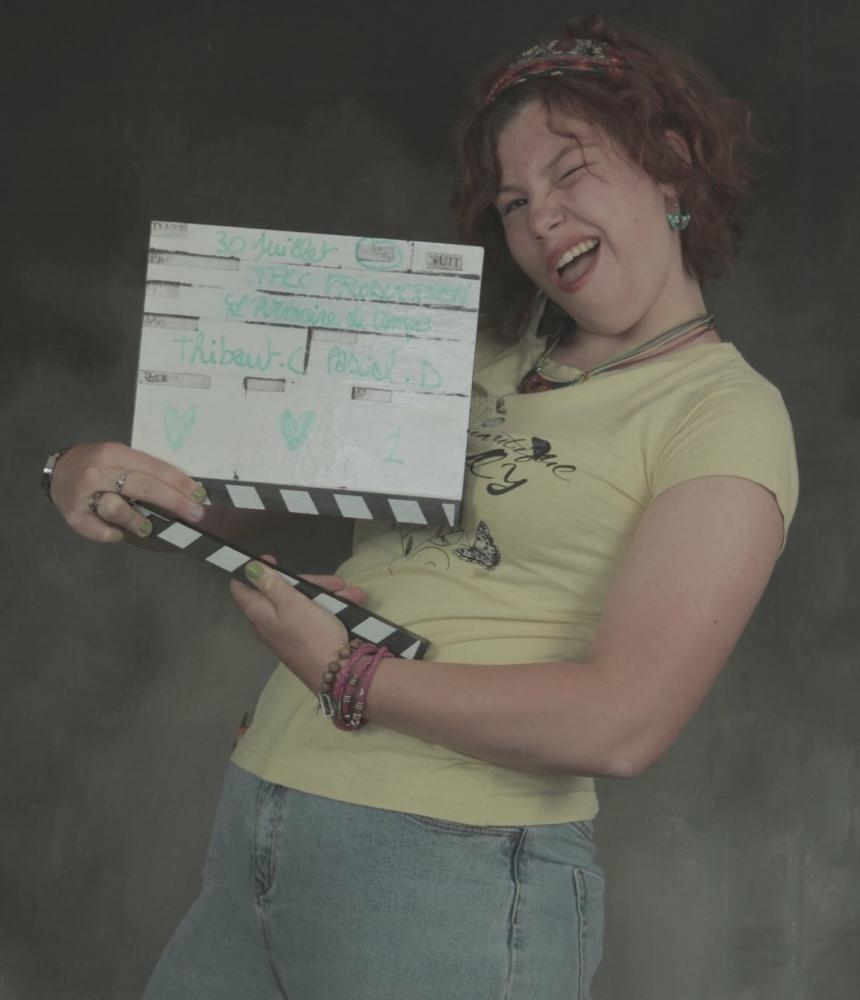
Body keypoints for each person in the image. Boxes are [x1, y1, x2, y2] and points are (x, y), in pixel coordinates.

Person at [44, 13, 798, 1000]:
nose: (542, 218)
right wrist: (89, 472)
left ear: (669, 163)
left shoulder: (724, 414)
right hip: (260, 824)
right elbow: (217, 504)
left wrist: (344, 672)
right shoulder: (460, 351)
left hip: (450, 870)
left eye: (570, 171)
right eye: (515, 200)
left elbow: (623, 721)